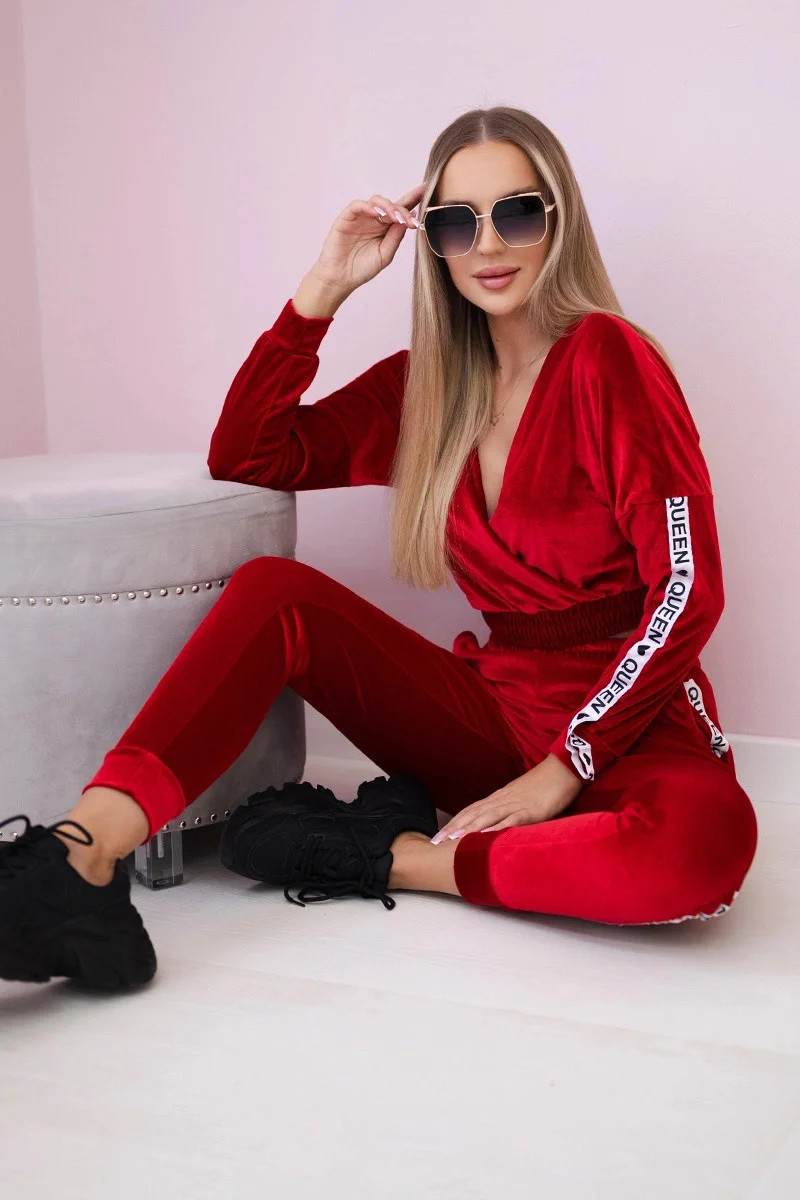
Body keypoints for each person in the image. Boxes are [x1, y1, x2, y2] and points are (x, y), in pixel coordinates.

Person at [0, 105, 758, 990]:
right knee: (276, 592)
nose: (488, 244)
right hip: (498, 718)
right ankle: (79, 861)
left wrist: (567, 768)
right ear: (432, 243)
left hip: (634, 730)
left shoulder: (608, 359)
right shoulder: (424, 390)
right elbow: (248, 454)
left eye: (517, 212)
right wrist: (325, 285)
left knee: (706, 847)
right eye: (456, 222)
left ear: (558, 221)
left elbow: (689, 588)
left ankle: (387, 856)